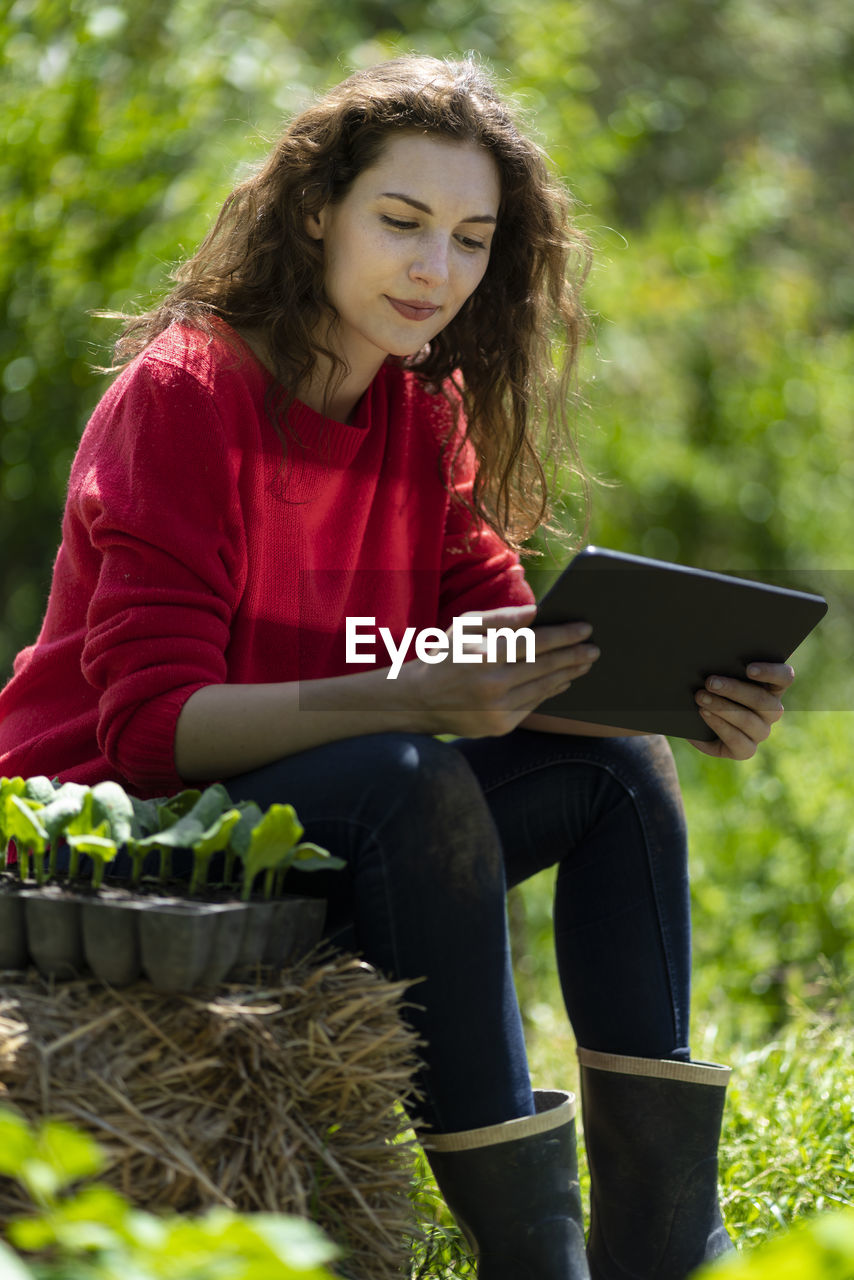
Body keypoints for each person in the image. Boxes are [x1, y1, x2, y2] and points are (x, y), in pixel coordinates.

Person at [0, 55, 793, 1279]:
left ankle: (668, 1245)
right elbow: (153, 728)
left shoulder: (420, 416)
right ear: (315, 208)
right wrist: (408, 696)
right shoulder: (186, 392)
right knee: (403, 769)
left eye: (472, 239)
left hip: (328, 820)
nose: (436, 270)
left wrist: (678, 700)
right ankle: (536, 1255)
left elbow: (506, 653)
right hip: (121, 845)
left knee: (617, 772)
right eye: (402, 222)